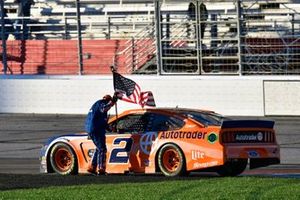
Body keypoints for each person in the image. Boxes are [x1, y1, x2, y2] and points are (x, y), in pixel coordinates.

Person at [85, 92, 119, 175]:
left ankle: (92, 167)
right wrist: (113, 101)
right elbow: (104, 108)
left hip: (94, 128)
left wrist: (112, 128)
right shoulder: (101, 103)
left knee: (99, 147)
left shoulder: (98, 109)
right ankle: (101, 168)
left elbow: (103, 123)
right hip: (96, 129)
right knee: (102, 149)